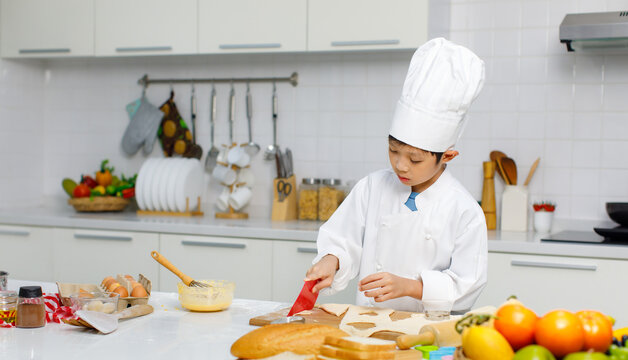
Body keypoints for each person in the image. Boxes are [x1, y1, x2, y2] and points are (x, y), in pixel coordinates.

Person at [305, 38, 488, 313]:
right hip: (369, 323)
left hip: (427, 334)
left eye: (415, 159)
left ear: (447, 156)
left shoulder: (464, 210)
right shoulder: (372, 187)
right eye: (393, 151)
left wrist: (409, 287)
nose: (401, 166)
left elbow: (467, 285)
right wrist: (331, 260)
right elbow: (343, 239)